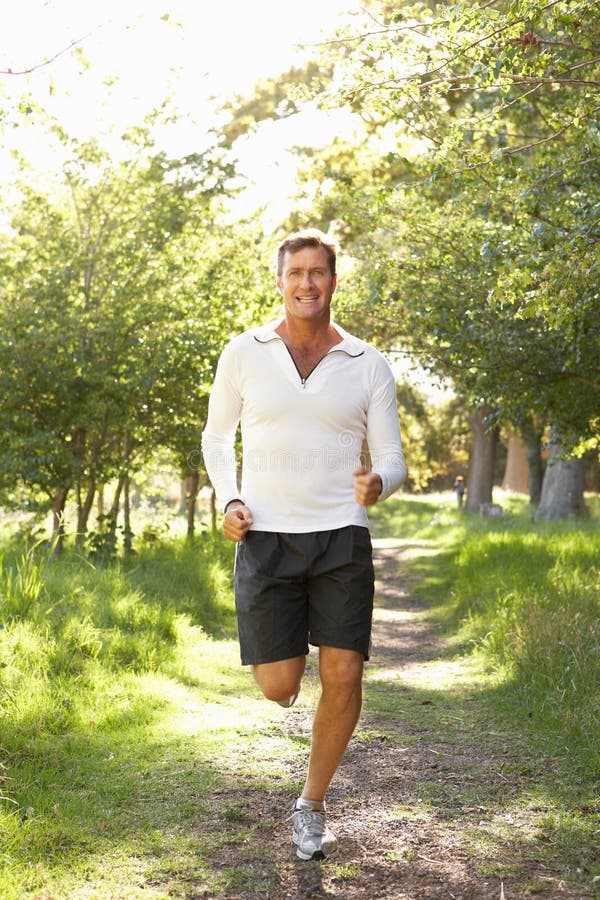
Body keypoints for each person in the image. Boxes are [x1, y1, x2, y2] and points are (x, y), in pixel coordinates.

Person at [201, 228, 406, 861]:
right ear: (280, 280)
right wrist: (230, 500)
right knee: (279, 686)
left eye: (319, 272)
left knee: (342, 670)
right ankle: (290, 678)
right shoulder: (244, 352)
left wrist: (379, 484)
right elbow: (216, 438)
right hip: (266, 536)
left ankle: (311, 804)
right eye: (297, 273)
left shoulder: (367, 363)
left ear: (334, 283)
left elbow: (394, 459)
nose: (307, 283)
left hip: (342, 534)